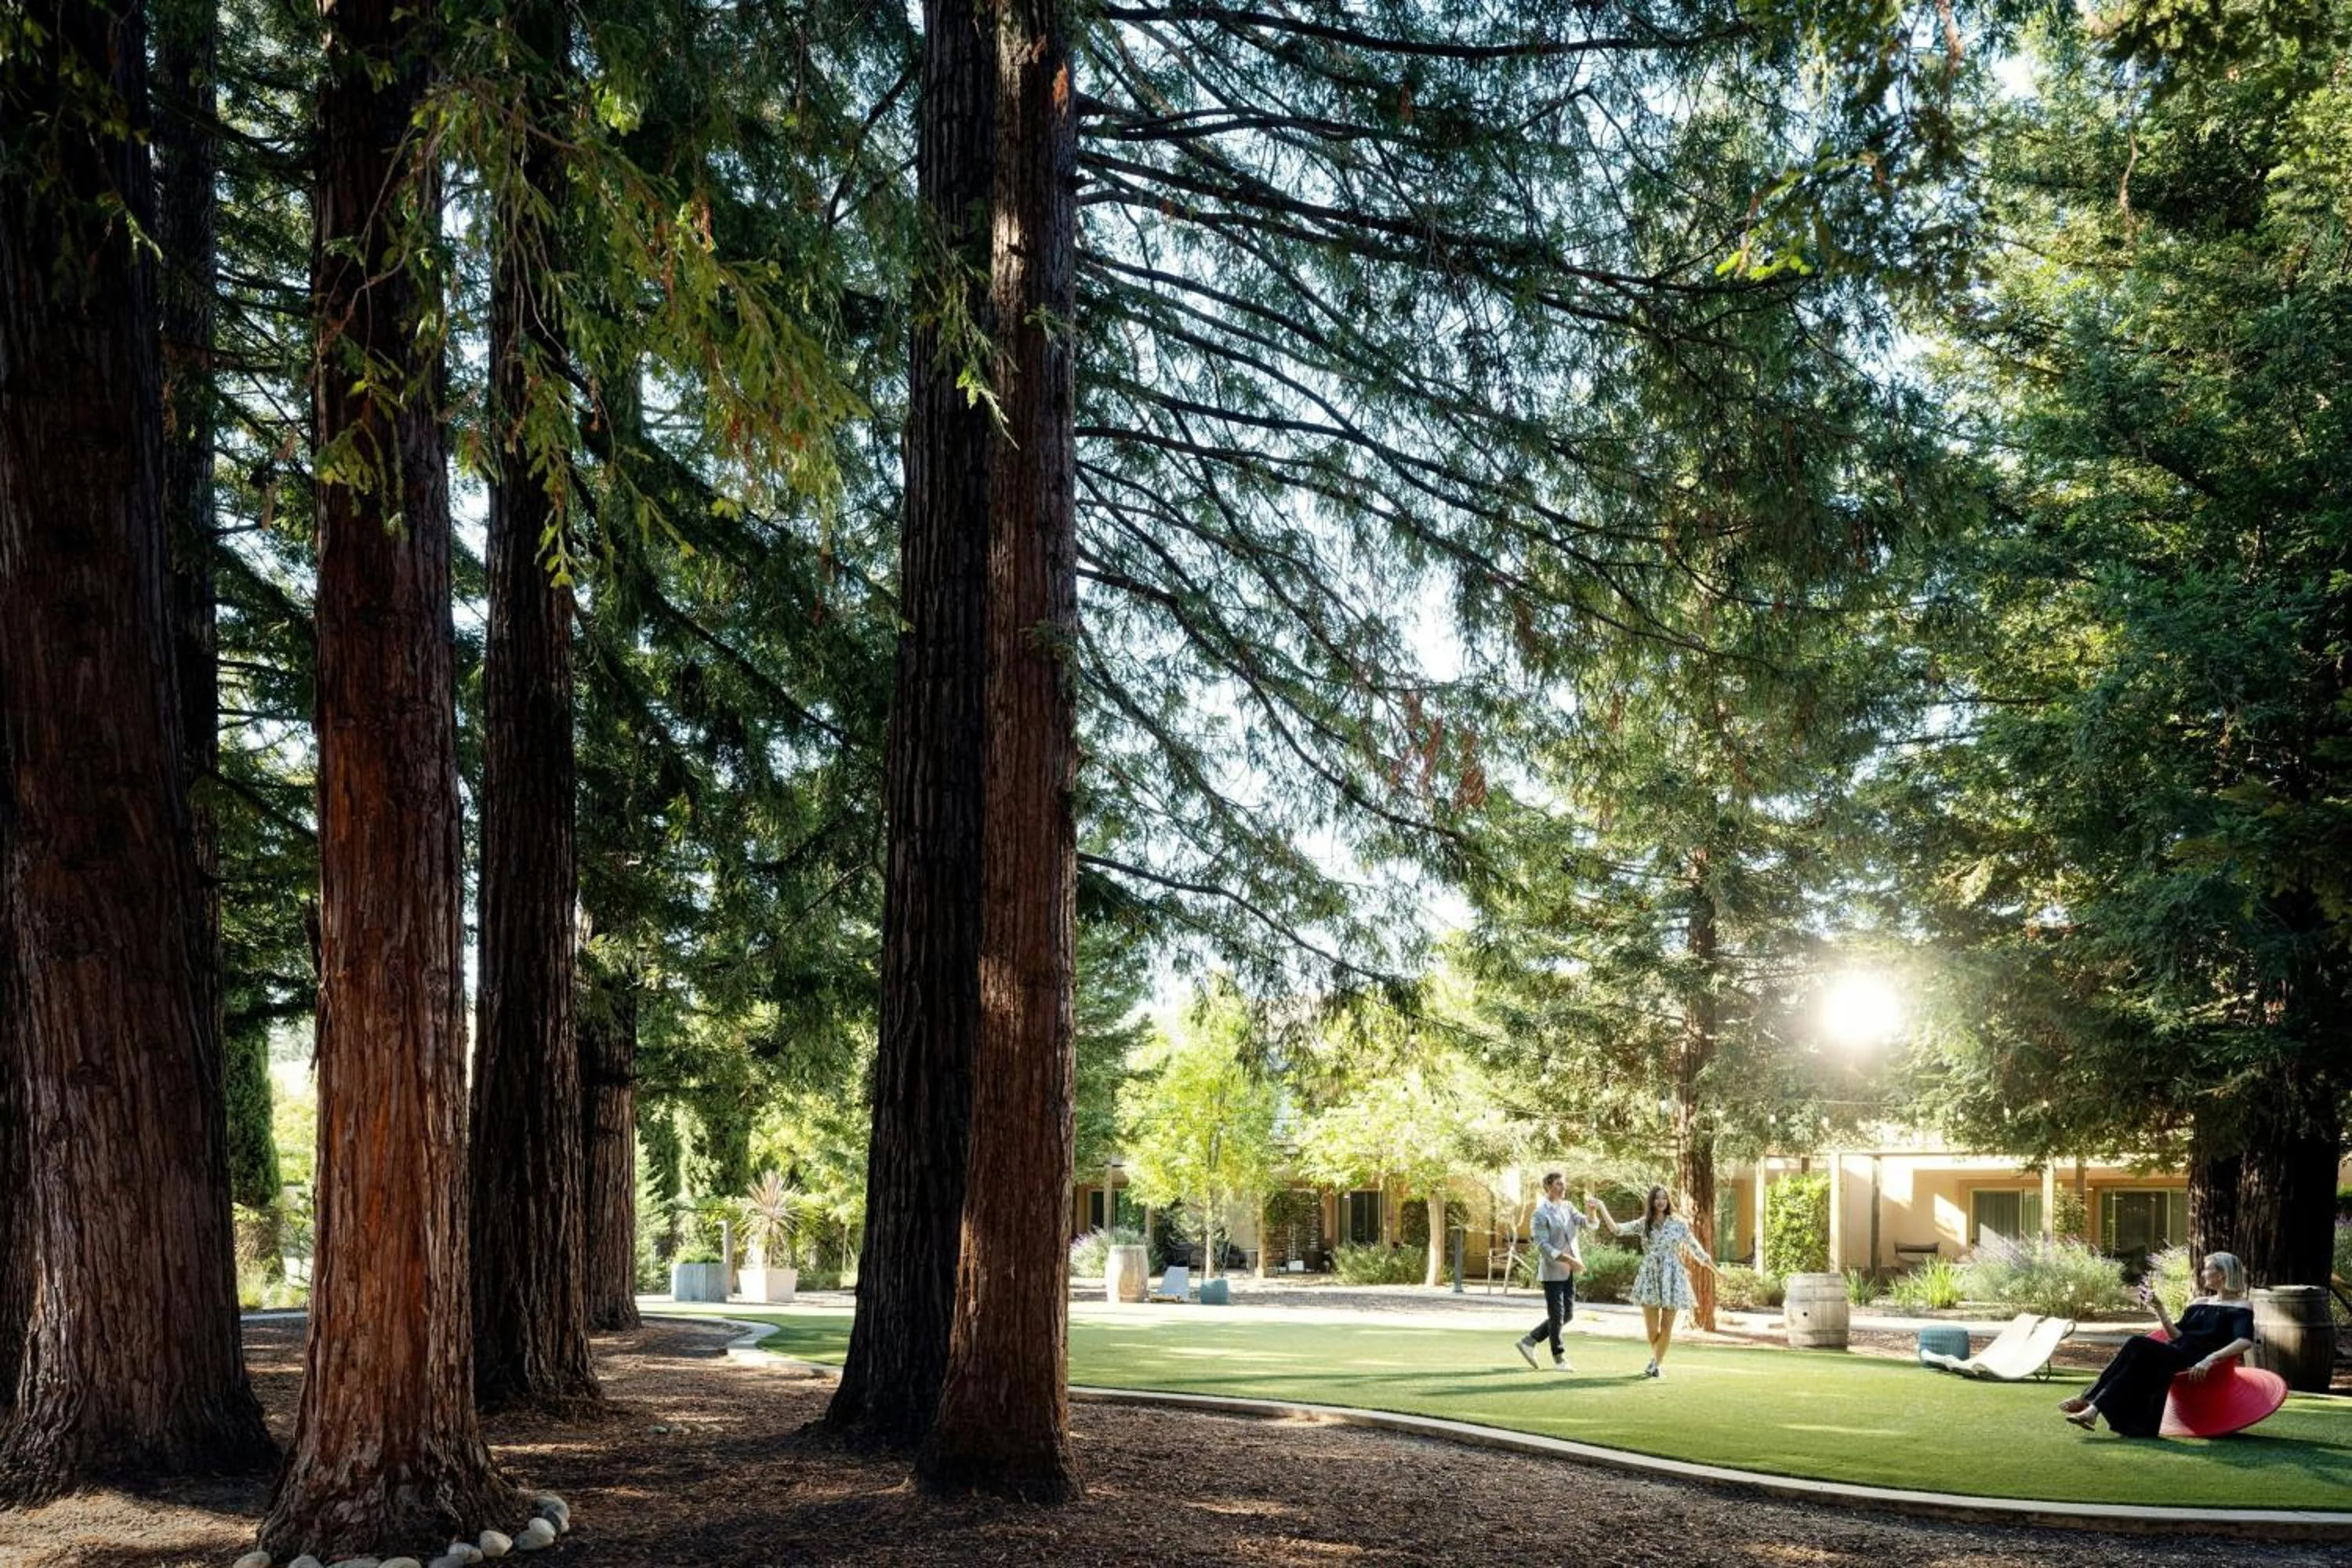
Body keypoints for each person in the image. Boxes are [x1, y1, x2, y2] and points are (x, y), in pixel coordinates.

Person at [2059, 1252, 2256, 1436]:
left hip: (2197, 1360)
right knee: (2134, 1363)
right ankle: (2092, 1411)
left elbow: (2244, 1340)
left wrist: (2209, 1359)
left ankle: (2087, 1399)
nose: (2203, 1273)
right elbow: (2177, 1335)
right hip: (2176, 1352)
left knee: (2136, 1343)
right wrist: (2159, 1308)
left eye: (2207, 1269)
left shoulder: (2241, 1307)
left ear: (2222, 1274)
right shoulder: (2200, 1302)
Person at [1589, 1185, 1715, 1377]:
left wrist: (1716, 1271)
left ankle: (1655, 1364)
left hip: (1672, 1277)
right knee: (1652, 1331)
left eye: (1664, 1198)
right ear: (1651, 1201)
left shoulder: (1678, 1225)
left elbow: (1697, 1250)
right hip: (1650, 1276)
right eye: (1657, 1198)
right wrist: (1602, 1207)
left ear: (1668, 1201)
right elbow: (1617, 1230)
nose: (1661, 1201)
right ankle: (1656, 1360)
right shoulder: (1643, 1224)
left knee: (1666, 1327)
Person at [1512, 1172, 1585, 1371]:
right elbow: (1543, 1246)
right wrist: (1569, 1259)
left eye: (1564, 1183)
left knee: (1567, 1315)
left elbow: (1589, 1223)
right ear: (1548, 1187)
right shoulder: (1540, 1213)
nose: (1563, 1187)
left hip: (1568, 1271)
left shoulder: (1568, 1207)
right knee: (1557, 1315)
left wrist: (1593, 1211)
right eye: (1559, 1184)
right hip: (1552, 1272)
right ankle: (1559, 1359)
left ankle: (1529, 1341)